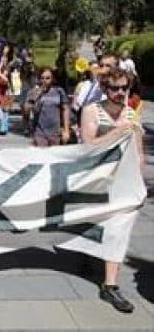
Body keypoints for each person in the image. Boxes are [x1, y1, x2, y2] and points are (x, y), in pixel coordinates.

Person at [80, 67, 144, 313]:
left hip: (123, 183)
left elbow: (138, 153)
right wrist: (119, 131)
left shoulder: (131, 114)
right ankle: (88, 252)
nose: (120, 92)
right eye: (114, 88)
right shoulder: (92, 110)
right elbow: (89, 146)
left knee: (118, 229)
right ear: (105, 90)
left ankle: (110, 285)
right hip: (95, 180)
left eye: (124, 88)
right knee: (95, 225)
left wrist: (139, 184)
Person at [25, 67, 70, 146]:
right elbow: (26, 110)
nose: (44, 80)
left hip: (55, 133)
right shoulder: (34, 92)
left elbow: (65, 109)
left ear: (52, 79)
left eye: (47, 78)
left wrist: (66, 130)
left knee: (55, 157)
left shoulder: (59, 91)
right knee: (41, 156)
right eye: (42, 78)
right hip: (39, 133)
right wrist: (35, 96)